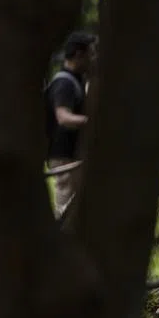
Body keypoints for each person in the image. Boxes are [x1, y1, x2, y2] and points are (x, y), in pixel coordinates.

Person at [45, 31, 96, 216]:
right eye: (91, 53)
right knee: (65, 210)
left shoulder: (77, 81)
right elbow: (63, 117)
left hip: (73, 156)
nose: (93, 58)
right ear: (79, 55)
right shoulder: (64, 84)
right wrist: (92, 122)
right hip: (64, 157)